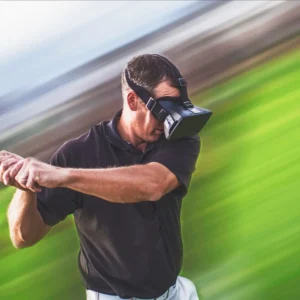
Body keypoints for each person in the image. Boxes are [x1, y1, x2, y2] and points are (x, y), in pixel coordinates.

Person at [0, 54, 201, 300]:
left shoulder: (178, 138)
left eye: (176, 110)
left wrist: (64, 176)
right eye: (163, 111)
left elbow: (153, 184)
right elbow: (23, 236)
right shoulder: (77, 154)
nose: (168, 120)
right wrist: (26, 186)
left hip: (173, 293)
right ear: (133, 100)